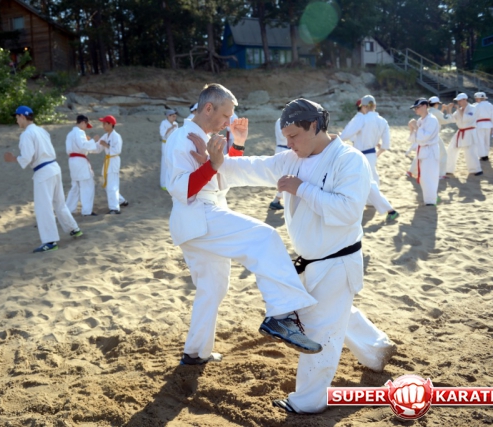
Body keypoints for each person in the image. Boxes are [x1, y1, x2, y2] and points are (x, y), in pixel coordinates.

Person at [216, 98, 394, 414]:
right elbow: (254, 168)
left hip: (338, 261)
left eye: (294, 136)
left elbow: (348, 211)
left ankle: (309, 401)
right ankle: (377, 349)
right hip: (310, 261)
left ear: (314, 126)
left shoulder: (349, 160)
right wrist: (217, 159)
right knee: (336, 312)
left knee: (320, 329)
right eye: (286, 137)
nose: (289, 143)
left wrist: (302, 189)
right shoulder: (292, 159)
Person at [165, 83, 323, 366]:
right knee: (264, 238)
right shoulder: (182, 137)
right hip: (197, 216)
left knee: (213, 289)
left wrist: (236, 145)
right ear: (208, 108)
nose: (229, 121)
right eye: (226, 115)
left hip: (200, 219)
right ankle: (281, 315)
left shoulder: (204, 137)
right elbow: (181, 189)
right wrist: (213, 164)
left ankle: (196, 352)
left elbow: (223, 179)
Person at [4, 106, 83, 252]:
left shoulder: (27, 134)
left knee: (43, 207)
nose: (16, 120)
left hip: (43, 171)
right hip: (54, 167)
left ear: (22, 116)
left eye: (17, 117)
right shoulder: (41, 130)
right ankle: (74, 229)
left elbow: (27, 157)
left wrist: (13, 159)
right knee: (59, 202)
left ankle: (50, 241)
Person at [340, 95, 399, 222]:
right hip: (371, 154)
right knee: (371, 179)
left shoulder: (362, 119)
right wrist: (376, 154)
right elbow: (386, 145)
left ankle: (390, 209)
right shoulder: (383, 121)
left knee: (367, 182)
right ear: (375, 106)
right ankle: (372, 202)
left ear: (364, 106)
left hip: (360, 155)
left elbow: (345, 136)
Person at [407, 99, 441, 206]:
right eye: (415, 108)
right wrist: (411, 129)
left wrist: (416, 127)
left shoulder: (432, 119)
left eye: (418, 107)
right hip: (423, 151)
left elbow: (425, 137)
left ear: (425, 106)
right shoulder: (421, 120)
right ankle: (431, 198)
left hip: (430, 150)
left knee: (429, 176)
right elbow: (414, 139)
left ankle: (431, 200)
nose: (416, 110)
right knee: (423, 177)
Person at [65, 115, 100, 217]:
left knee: (75, 186)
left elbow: (80, 145)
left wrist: (88, 141)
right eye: (86, 125)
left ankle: (69, 209)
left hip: (72, 160)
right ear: (83, 122)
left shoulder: (70, 134)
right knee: (87, 185)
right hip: (80, 160)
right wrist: (93, 140)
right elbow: (83, 146)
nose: (85, 128)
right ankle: (87, 210)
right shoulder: (80, 132)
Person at [96, 115, 128, 214]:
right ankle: (121, 201)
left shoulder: (116, 136)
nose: (103, 126)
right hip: (107, 161)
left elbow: (117, 150)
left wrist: (105, 144)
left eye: (105, 124)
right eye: (103, 124)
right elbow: (98, 148)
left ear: (111, 124)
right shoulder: (106, 136)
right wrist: (91, 143)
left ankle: (114, 208)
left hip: (113, 160)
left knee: (112, 185)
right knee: (107, 185)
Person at [445, 93, 483, 176]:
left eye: (459, 100)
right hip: (460, 131)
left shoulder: (473, 108)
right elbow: (452, 119)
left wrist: (458, 109)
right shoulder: (459, 109)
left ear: (465, 99)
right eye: (457, 101)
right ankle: (448, 169)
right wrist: (449, 110)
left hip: (469, 132)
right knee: (451, 148)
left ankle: (476, 170)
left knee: (470, 151)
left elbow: (467, 118)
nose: (458, 102)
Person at [269, 117, 290, 210]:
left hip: (280, 149)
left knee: (283, 176)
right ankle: (276, 200)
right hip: (285, 150)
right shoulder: (287, 120)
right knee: (286, 176)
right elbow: (285, 135)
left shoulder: (279, 120)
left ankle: (277, 200)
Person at [159, 109, 178, 190]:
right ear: (168, 116)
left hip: (173, 144)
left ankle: (170, 182)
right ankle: (163, 183)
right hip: (165, 143)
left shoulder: (176, 124)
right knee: (165, 163)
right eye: (173, 116)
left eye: (175, 116)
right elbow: (162, 134)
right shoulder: (164, 123)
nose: (174, 118)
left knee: (172, 163)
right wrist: (170, 128)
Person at [473, 92, 493, 161]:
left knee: (480, 140)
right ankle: (486, 154)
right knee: (487, 140)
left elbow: (474, 116)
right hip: (489, 124)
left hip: (479, 124)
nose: (476, 100)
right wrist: (492, 126)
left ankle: (482, 155)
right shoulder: (490, 105)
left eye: (477, 98)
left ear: (479, 98)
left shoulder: (476, 106)